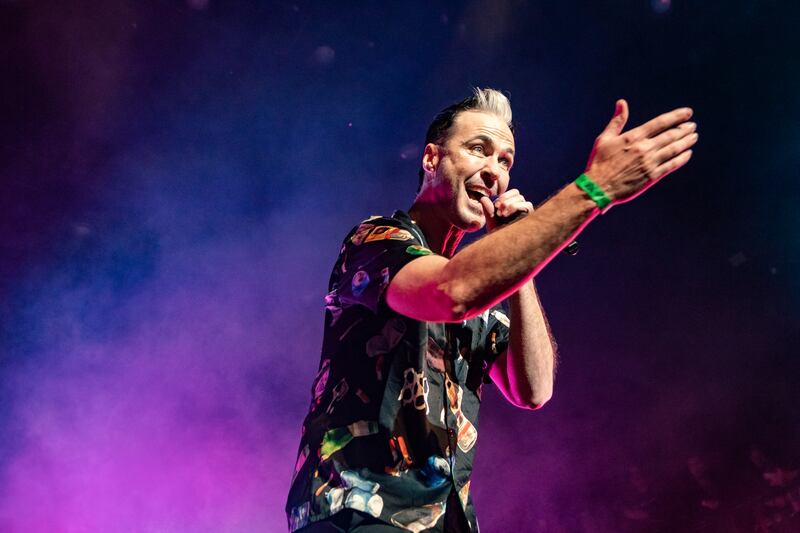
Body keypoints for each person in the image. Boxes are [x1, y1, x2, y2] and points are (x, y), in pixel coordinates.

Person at [286, 88, 698, 532]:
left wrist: (518, 257)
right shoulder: (376, 241)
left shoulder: (482, 292)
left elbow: (533, 388)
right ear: (431, 159)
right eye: (478, 149)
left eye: (505, 161)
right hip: (359, 512)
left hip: (444, 522)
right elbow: (452, 292)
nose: (494, 171)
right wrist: (593, 191)